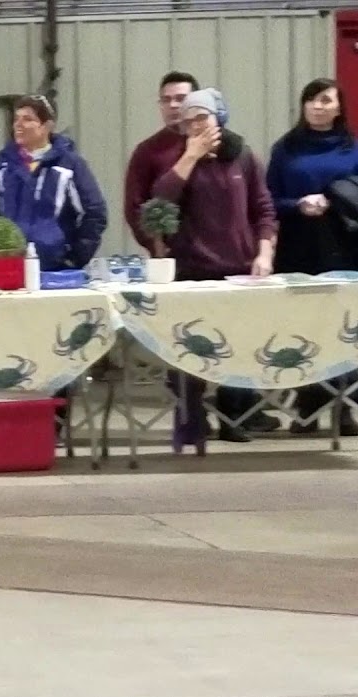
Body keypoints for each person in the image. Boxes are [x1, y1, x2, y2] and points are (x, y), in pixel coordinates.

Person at [154, 87, 280, 442]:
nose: (196, 125)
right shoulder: (178, 160)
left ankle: (234, 416)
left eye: (202, 117)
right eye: (189, 120)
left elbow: (263, 209)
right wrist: (190, 157)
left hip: (238, 268)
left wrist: (264, 252)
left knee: (237, 346)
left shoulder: (243, 157)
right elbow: (160, 200)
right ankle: (190, 420)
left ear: (218, 119)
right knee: (190, 348)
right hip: (193, 269)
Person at [266, 77, 358, 434]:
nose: (317, 106)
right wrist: (298, 203)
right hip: (297, 247)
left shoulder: (352, 149)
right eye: (311, 100)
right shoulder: (285, 149)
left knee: (343, 326)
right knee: (302, 327)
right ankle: (308, 406)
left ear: (339, 108)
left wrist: (334, 201)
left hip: (343, 246)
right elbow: (267, 200)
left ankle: (344, 409)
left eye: (325, 100)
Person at [0, 94, 107, 271]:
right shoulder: (1, 167)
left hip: (55, 269)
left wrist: (74, 258)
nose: (18, 125)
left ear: (47, 126)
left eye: (27, 119)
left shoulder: (69, 166)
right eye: (16, 119)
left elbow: (94, 213)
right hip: (8, 268)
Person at [124, 71, 199, 258]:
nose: (173, 105)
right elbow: (135, 207)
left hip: (224, 257)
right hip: (172, 257)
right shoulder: (147, 151)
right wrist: (154, 244)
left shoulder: (216, 145)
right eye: (166, 100)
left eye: (181, 98)